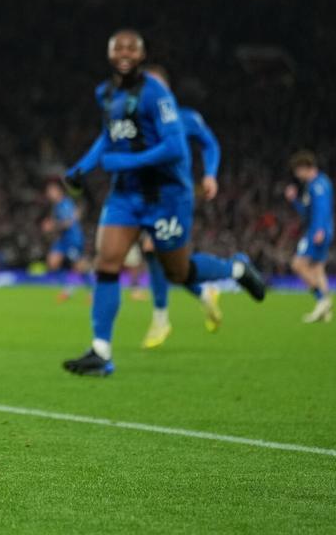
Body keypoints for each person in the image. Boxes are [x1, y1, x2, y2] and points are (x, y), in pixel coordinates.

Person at [60, 30, 266, 377]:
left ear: (141, 55)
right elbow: (107, 136)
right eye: (117, 47)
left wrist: (124, 163)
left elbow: (175, 148)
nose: (124, 53)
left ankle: (236, 269)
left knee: (179, 272)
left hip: (167, 196)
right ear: (109, 54)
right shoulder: (106, 93)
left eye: (131, 48)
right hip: (126, 194)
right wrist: (82, 166)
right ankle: (100, 351)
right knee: (106, 262)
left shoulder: (160, 98)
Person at [138, 65, 225, 348]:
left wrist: (210, 173)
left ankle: (161, 319)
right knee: (169, 263)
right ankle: (204, 293)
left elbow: (210, 143)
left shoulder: (184, 119)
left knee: (154, 251)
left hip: (174, 197)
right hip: (147, 196)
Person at [285, 150, 335, 323]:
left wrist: (320, 229)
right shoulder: (315, 185)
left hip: (317, 230)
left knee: (297, 264)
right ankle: (326, 312)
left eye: (298, 171)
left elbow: (322, 208)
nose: (297, 176)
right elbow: (306, 213)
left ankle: (322, 300)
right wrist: (294, 200)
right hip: (320, 228)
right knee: (317, 269)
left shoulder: (318, 184)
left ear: (305, 167)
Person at [42, 179, 90, 301]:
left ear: (59, 191)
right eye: (48, 191)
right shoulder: (57, 206)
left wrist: (52, 225)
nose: (49, 194)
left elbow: (68, 223)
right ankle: (67, 288)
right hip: (63, 239)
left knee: (79, 266)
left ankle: (94, 291)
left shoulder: (65, 204)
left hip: (73, 239)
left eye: (51, 191)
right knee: (52, 261)